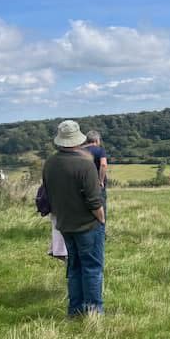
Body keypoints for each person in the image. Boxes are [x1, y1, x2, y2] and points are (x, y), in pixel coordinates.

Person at [42, 120, 105, 316]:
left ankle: (75, 310)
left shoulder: (50, 163)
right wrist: (101, 219)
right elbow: (94, 201)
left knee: (74, 267)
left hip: (64, 223)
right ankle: (94, 312)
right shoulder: (85, 164)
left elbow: (48, 192)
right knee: (92, 268)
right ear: (78, 140)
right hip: (87, 224)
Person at [83, 130, 108, 218]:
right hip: (97, 184)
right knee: (100, 206)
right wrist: (101, 180)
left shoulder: (80, 151)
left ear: (86, 140)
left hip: (82, 184)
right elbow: (103, 164)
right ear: (97, 140)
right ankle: (101, 227)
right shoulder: (100, 151)